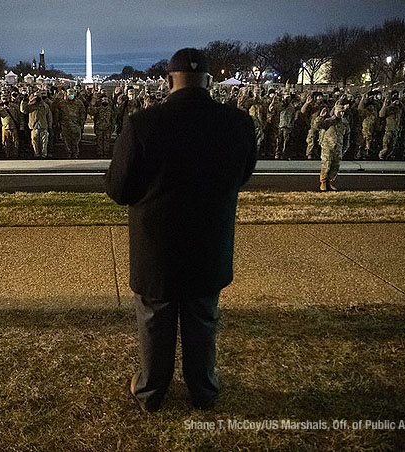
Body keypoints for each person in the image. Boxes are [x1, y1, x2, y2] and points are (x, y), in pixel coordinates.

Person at [105, 48, 257, 412]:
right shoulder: (237, 123)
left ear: (169, 80)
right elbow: (243, 176)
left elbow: (118, 189)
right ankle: (203, 390)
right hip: (208, 243)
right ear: (208, 80)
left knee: (156, 321)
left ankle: (151, 391)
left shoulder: (142, 124)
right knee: (202, 319)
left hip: (157, 247)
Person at [315, 98, 351, 191]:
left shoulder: (344, 123)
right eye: (339, 111)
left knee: (335, 167)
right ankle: (323, 182)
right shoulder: (329, 121)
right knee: (326, 165)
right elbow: (317, 126)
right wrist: (321, 117)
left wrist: (345, 147)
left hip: (338, 148)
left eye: (343, 112)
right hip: (328, 147)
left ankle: (329, 182)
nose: (341, 114)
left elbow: (347, 136)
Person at [20, 92, 52, 158]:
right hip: (34, 127)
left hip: (43, 126)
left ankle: (44, 155)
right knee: (35, 142)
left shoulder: (45, 106)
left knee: (44, 143)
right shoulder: (30, 106)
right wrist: (25, 101)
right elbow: (23, 110)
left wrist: (50, 126)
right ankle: (36, 155)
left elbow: (49, 117)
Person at [58, 88, 86, 158]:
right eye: (69, 94)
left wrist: (81, 123)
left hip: (76, 125)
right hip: (65, 125)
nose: (71, 95)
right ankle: (68, 153)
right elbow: (57, 112)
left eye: (72, 94)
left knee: (75, 141)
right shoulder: (62, 103)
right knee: (66, 141)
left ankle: (75, 153)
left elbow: (82, 113)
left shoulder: (79, 103)